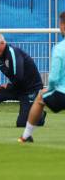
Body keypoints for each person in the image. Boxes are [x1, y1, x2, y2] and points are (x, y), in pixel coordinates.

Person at [19, 12, 65, 143]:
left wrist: (49, 90)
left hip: (62, 95)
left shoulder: (60, 48)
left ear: (63, 26)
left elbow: (54, 78)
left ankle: (26, 135)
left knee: (40, 97)